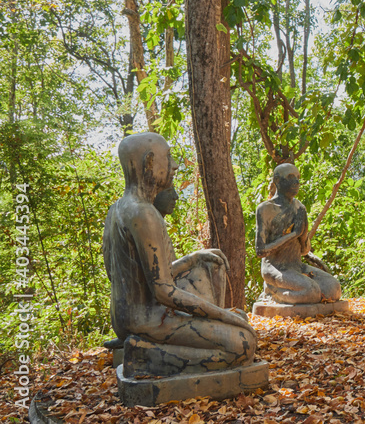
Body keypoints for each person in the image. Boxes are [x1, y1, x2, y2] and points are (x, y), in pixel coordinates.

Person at [102, 132, 256, 376]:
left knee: (228, 310)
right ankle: (145, 356)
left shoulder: (117, 208)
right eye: (169, 157)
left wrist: (194, 258)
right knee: (244, 343)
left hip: (124, 319)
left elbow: (129, 276)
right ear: (150, 162)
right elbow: (162, 290)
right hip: (147, 321)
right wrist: (223, 315)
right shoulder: (144, 213)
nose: (174, 165)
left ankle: (145, 348)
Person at [255, 163, 342, 305]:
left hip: (296, 265)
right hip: (274, 267)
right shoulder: (265, 209)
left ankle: (295, 292)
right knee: (312, 293)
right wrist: (292, 235)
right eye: (290, 177)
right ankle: (272, 291)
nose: (296, 182)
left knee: (334, 289)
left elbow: (304, 251)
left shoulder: (299, 207)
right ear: (277, 180)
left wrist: (303, 234)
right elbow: (260, 251)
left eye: (298, 177)